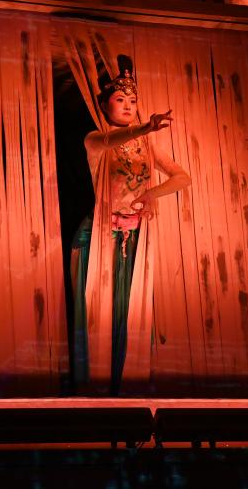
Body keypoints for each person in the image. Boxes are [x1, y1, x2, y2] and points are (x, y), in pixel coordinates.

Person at [70, 56, 190, 394]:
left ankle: (127, 390)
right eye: (120, 99)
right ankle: (93, 389)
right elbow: (113, 141)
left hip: (133, 236)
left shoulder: (145, 144)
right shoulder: (96, 139)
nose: (127, 106)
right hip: (98, 236)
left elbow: (183, 177)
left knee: (129, 312)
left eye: (133, 101)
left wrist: (152, 193)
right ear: (103, 105)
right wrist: (145, 127)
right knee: (98, 314)